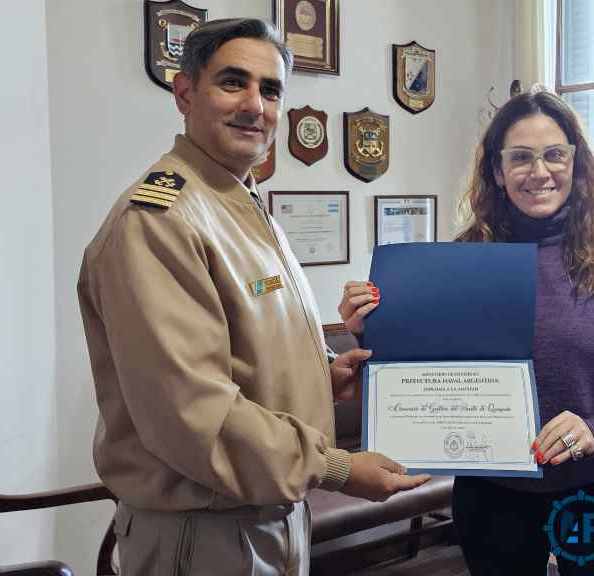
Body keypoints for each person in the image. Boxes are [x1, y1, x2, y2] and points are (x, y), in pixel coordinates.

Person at [78, 18, 428, 576]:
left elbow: (247, 352)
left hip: (264, 513)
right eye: (232, 82)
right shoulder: (160, 221)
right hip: (202, 533)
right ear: (185, 92)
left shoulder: (238, 203)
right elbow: (192, 412)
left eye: (271, 89)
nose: (255, 105)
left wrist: (326, 378)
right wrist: (336, 468)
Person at [339, 90, 594, 575]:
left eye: (554, 155)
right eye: (521, 157)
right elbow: (430, 366)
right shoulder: (460, 260)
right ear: (497, 171)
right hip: (492, 494)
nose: (539, 172)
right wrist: (372, 329)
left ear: (576, 164)